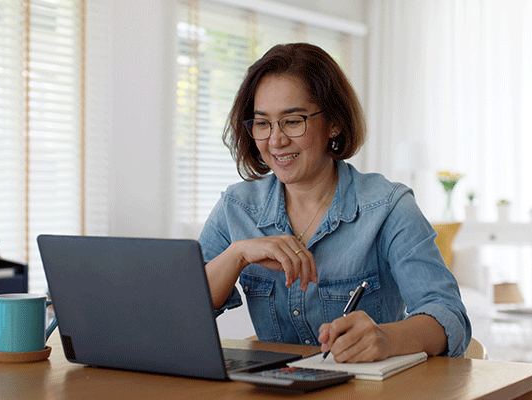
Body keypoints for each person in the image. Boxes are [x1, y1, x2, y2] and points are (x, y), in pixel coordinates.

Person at [198, 43, 471, 362]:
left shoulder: (388, 207)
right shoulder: (236, 207)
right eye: (262, 123)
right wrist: (238, 253)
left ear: (334, 123)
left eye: (293, 120)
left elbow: (449, 317)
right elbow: (179, 312)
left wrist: (384, 339)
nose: (275, 140)